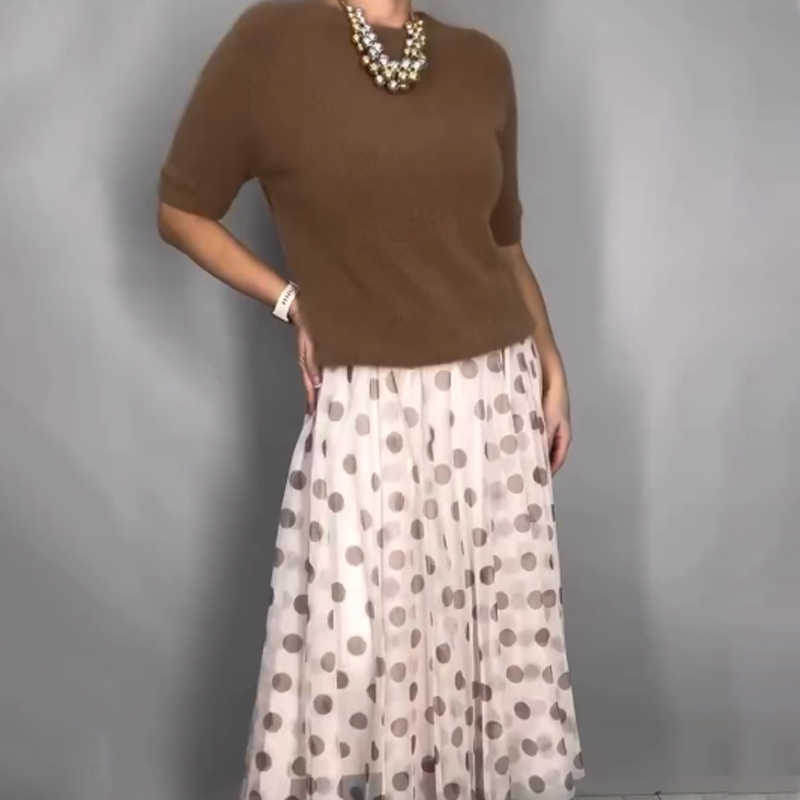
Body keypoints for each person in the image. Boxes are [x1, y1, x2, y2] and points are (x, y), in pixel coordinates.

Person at [156, 1, 583, 798]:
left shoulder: (482, 63)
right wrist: (292, 302)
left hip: (494, 400)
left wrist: (551, 360)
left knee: (497, 648)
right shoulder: (270, 44)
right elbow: (181, 209)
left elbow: (501, 245)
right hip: (370, 409)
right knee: (357, 652)